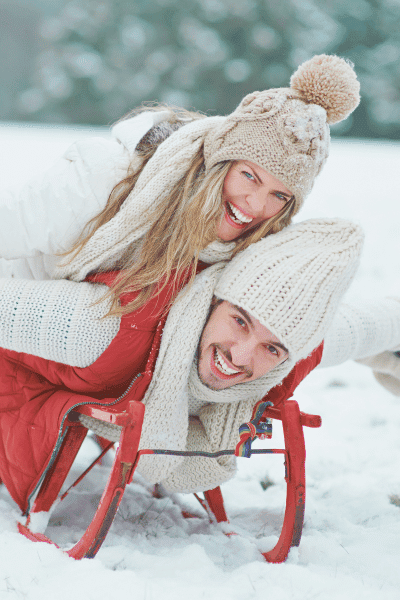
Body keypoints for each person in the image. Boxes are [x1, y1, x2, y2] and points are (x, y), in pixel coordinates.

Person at [2, 217, 400, 513]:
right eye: (240, 322)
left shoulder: (291, 358)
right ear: (214, 300)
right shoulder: (108, 326)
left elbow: (370, 325)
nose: (240, 358)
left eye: (272, 348)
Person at [0, 54, 360, 318]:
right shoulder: (104, 179)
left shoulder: (254, 247)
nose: (254, 204)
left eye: (279, 195)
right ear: (220, 162)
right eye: (249, 176)